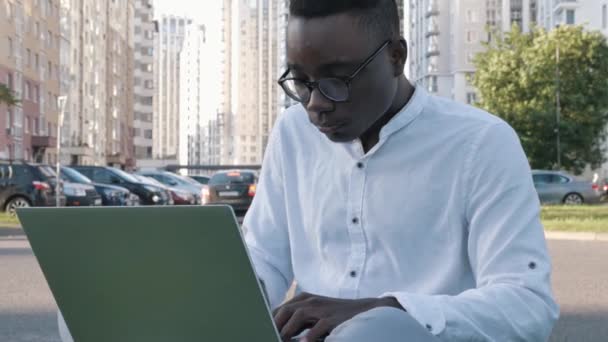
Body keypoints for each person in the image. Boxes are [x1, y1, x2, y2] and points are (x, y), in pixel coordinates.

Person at [243, 0, 559, 341]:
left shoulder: (481, 144)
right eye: (302, 81)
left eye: (337, 79)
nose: (315, 103)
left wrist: (384, 311)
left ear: (396, 57)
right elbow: (264, 259)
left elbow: (527, 305)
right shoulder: (292, 132)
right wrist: (225, 299)